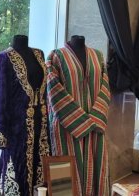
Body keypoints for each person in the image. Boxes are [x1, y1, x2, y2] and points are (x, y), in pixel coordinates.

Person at [46, 36, 110, 195]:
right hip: (66, 126)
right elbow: (53, 90)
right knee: (64, 182)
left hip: (95, 127)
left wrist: (95, 119)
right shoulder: (55, 56)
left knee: (97, 170)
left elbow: (106, 88)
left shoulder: (98, 56)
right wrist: (80, 122)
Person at [0, 35, 50, 196]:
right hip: (16, 128)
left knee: (40, 171)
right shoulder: (4, 58)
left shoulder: (39, 54)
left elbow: (44, 91)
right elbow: (0, 95)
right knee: (17, 170)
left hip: (40, 125)